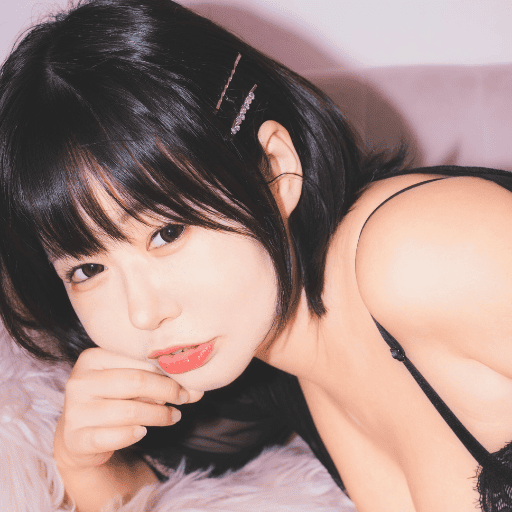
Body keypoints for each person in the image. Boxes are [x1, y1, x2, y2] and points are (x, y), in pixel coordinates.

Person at [0, 1, 511, 511]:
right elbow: (156, 497)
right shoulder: (268, 363)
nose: (143, 313)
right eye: (88, 269)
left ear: (276, 167)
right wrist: (83, 461)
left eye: (168, 233)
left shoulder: (422, 254)